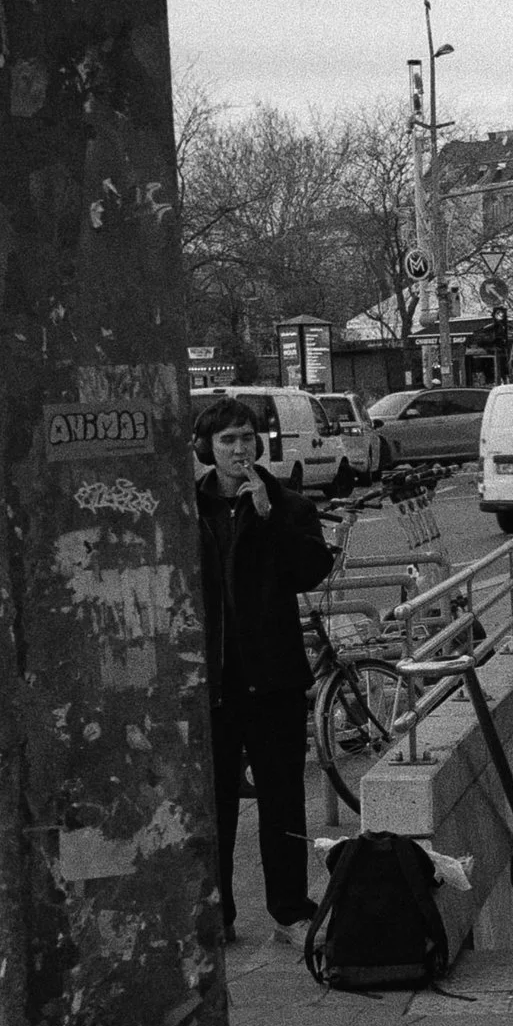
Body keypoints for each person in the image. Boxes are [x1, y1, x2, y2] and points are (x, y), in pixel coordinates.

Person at [193, 396, 335, 940]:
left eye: (247, 438)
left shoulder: (287, 505)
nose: (240, 449)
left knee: (282, 799)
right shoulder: (189, 508)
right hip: (213, 682)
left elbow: (309, 572)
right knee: (215, 805)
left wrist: (269, 518)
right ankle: (218, 913)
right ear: (207, 448)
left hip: (273, 677)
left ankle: (290, 911)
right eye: (228, 440)